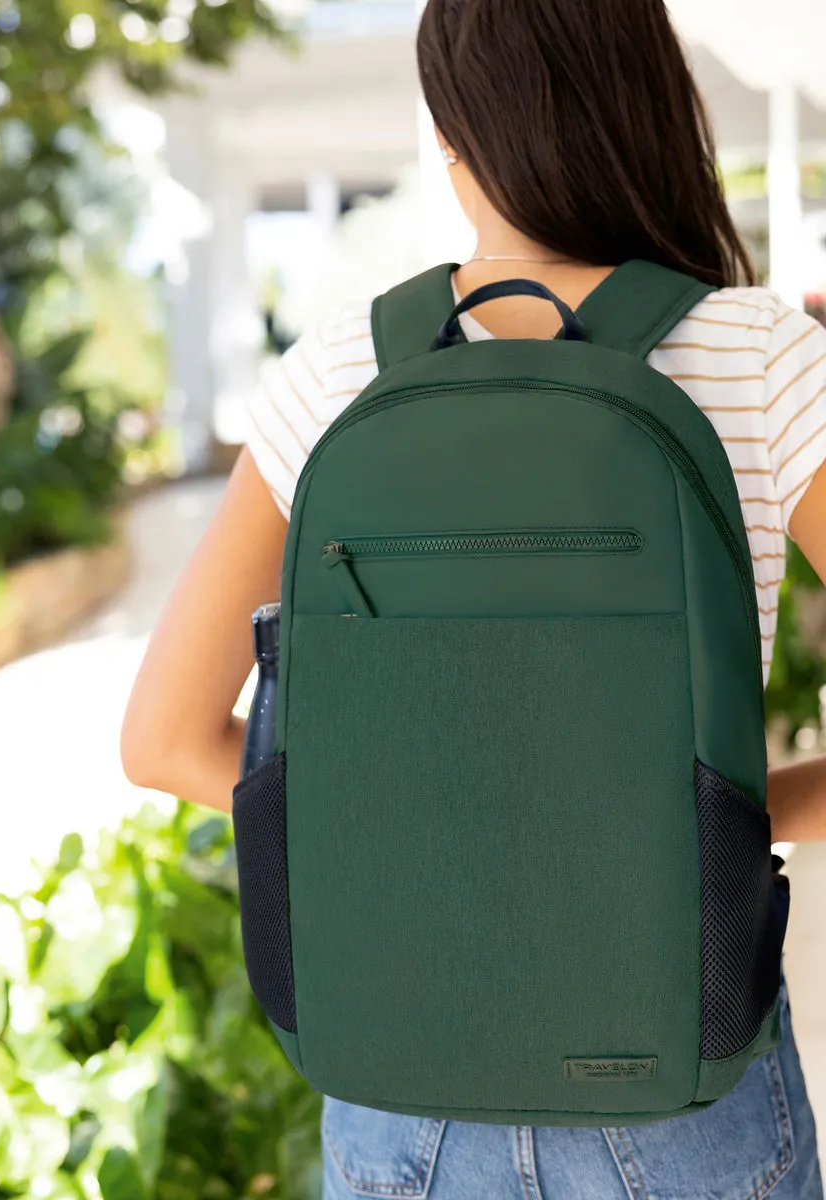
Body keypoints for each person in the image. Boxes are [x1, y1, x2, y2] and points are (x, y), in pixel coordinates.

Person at [121, 0, 826, 1194]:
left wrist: (422, 832)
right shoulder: (760, 354)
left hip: (402, 1092)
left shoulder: (343, 370)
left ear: (451, 136)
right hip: (675, 1087)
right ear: (660, 113)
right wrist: (731, 820)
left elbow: (162, 741)